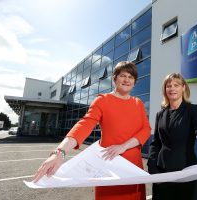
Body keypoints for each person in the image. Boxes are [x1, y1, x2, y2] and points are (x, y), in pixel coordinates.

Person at [33, 61, 151, 200]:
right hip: (109, 166)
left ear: (134, 82)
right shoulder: (103, 100)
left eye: (131, 77)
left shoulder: (138, 103)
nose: (126, 80)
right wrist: (60, 152)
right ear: (114, 79)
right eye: (123, 76)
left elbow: (146, 129)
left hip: (133, 167)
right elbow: (85, 124)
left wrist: (123, 146)